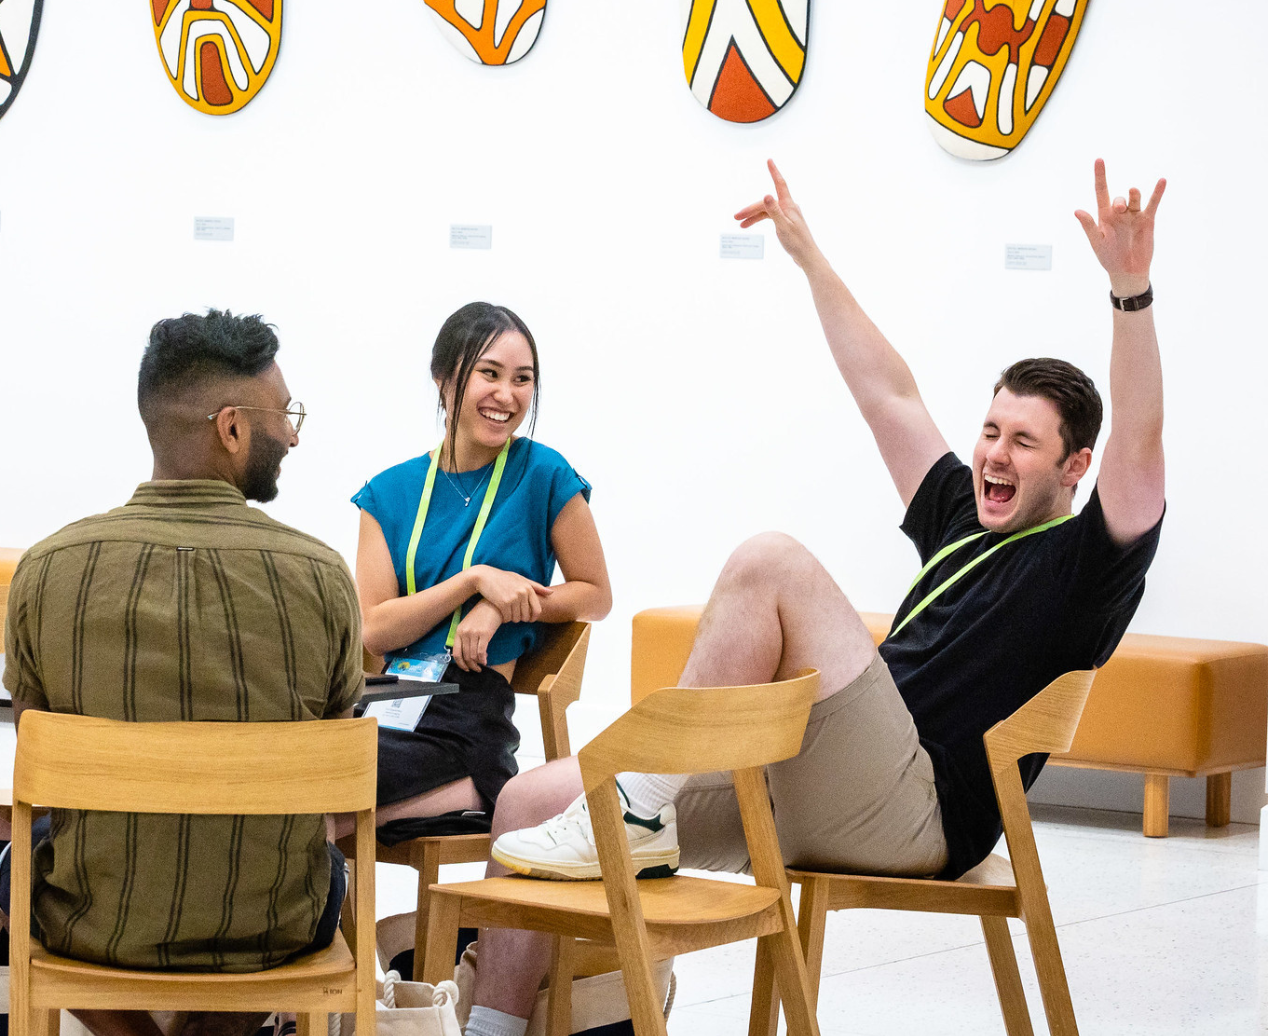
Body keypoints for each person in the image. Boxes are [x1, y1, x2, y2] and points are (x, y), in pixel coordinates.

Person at [464, 158, 1167, 1036]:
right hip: (829, 779)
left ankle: (643, 803)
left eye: (1023, 442)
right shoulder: (961, 512)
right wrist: (806, 253)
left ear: (1075, 467)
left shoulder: (1083, 563)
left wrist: (1129, 291)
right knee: (533, 802)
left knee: (770, 562)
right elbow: (887, 391)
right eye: (990, 431)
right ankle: (489, 1025)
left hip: (920, 811)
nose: (993, 454)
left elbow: (1141, 454)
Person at [1, 310, 364, 1036]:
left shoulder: (43, 572)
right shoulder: (321, 576)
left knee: (11, 867)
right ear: (231, 427)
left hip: (92, 922)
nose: (292, 434)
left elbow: (32, 726)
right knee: (329, 877)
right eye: (284, 414)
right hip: (276, 928)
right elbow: (336, 744)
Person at [350, 301, 612, 839]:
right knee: (293, 779)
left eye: (523, 380)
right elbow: (375, 628)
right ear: (445, 380)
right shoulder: (388, 493)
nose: (507, 395)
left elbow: (595, 594)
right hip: (389, 703)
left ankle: (480, 785)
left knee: (314, 804)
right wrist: (472, 583)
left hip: (467, 715)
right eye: (488, 374)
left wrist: (502, 604)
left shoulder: (543, 474)